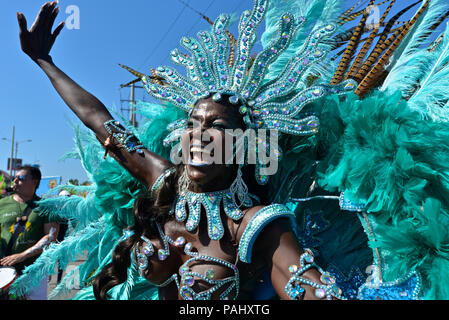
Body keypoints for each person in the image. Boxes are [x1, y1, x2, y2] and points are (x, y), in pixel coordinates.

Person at [12, 0, 449, 301]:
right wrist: (44, 61)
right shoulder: (165, 180)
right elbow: (99, 118)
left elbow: (306, 287)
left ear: (243, 146)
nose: (200, 135)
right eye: (194, 124)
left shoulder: (257, 226)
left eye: (217, 128)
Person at [0, 165, 59, 299]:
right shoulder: (1, 204)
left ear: (35, 182)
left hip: (34, 272)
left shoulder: (45, 206)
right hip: (4, 272)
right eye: (14, 178)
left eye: (20, 178)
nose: (15, 181)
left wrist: (23, 255)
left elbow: (51, 236)